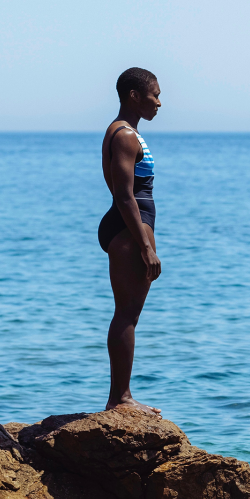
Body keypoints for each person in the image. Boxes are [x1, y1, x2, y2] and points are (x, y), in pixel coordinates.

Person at [98, 67, 163, 417]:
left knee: (128, 313)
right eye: (154, 95)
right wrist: (146, 246)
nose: (159, 102)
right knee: (126, 314)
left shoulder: (126, 131)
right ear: (135, 96)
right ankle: (120, 398)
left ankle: (121, 395)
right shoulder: (124, 135)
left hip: (129, 227)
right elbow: (124, 196)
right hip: (128, 228)